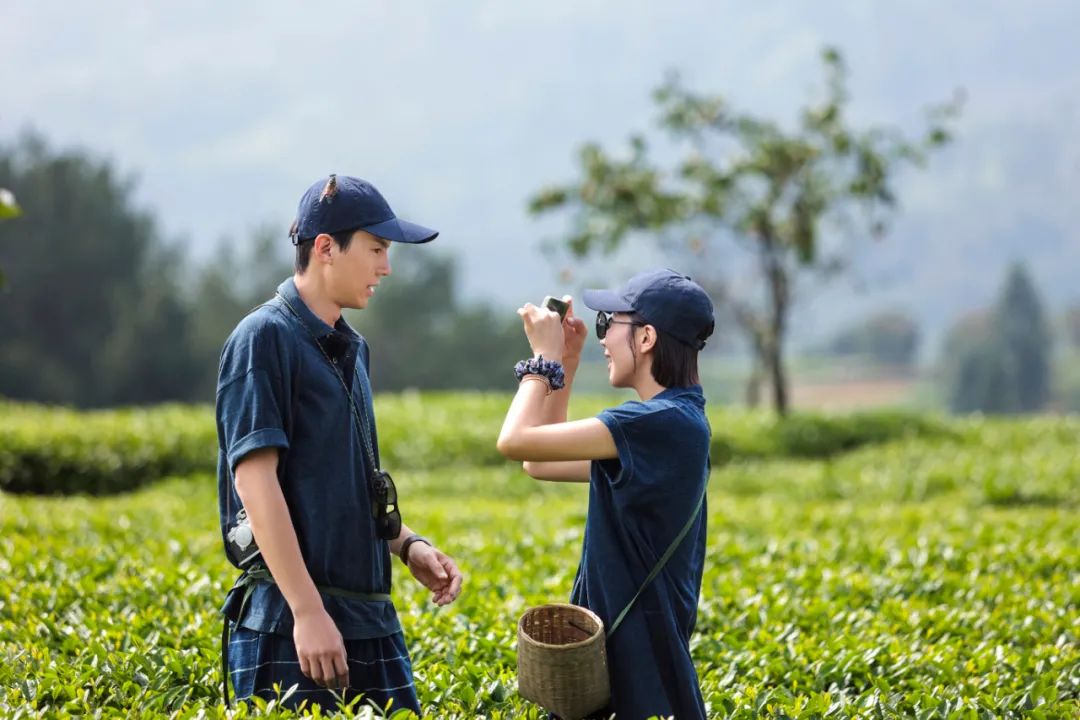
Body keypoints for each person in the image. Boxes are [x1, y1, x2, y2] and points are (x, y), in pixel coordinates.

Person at [216, 174, 463, 715]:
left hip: (367, 618)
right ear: (326, 248)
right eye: (376, 249)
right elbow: (256, 486)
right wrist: (306, 612)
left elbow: (345, 482)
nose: (386, 267)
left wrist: (407, 545)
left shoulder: (350, 347)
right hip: (292, 626)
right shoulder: (263, 339)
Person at [497, 269, 714, 720]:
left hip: (638, 672)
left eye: (607, 324)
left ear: (647, 337)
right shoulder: (671, 422)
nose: (603, 339)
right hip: (621, 666)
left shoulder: (658, 423)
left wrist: (541, 359)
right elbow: (540, 462)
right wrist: (565, 364)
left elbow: (515, 440)